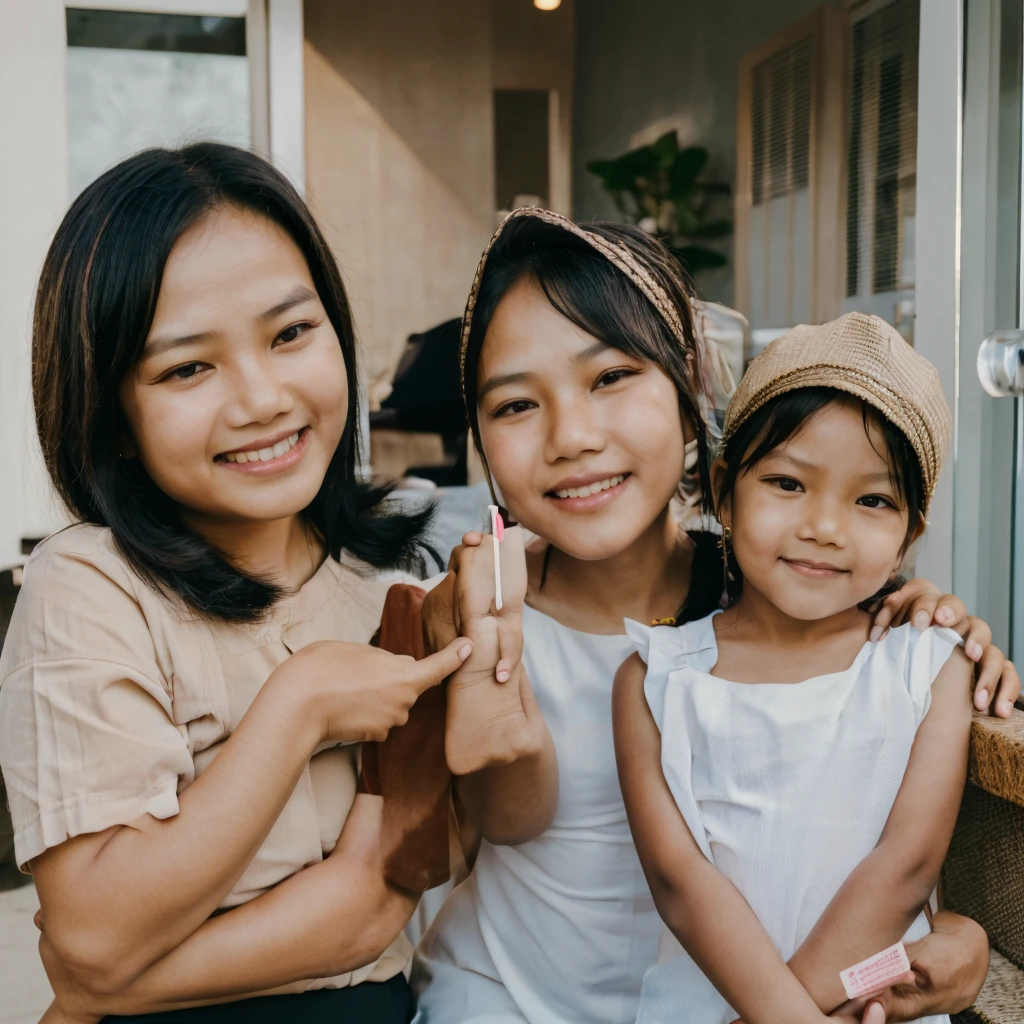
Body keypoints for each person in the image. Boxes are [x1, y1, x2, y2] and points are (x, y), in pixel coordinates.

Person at [413, 209, 1016, 1024]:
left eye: (611, 378)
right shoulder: (479, 604)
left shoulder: (778, 587)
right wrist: (489, 653)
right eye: (516, 405)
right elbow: (507, 821)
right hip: (513, 1001)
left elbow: (870, 801)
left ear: (689, 384)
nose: (572, 437)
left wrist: (939, 617)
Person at [0, 142, 473, 1023]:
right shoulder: (87, 591)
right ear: (113, 415)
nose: (259, 398)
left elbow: (376, 905)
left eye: (291, 332)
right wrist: (299, 706)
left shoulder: (396, 587)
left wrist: (103, 983)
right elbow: (98, 930)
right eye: (187, 367)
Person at [615, 313, 972, 1024]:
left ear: (910, 533)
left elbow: (905, 869)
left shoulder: (927, 666)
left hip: (861, 1006)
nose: (825, 527)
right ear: (724, 489)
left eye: (872, 499)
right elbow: (680, 882)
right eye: (787, 483)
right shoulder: (655, 679)